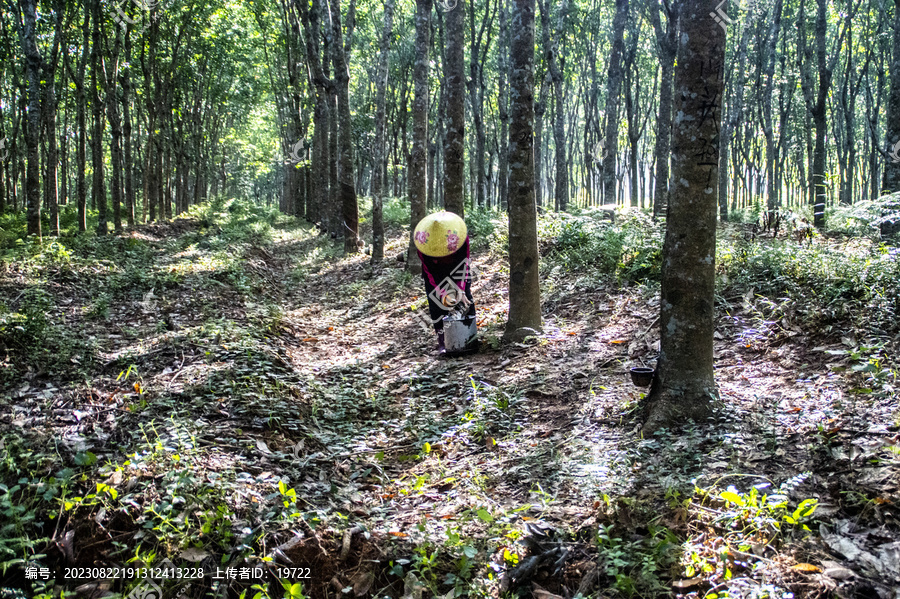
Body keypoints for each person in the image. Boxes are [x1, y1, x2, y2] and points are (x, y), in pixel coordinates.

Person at [414, 211, 477, 354]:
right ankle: (444, 342)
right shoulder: (422, 243)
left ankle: (470, 338)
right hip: (435, 272)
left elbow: (464, 263)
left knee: (465, 300)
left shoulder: (461, 237)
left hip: (457, 268)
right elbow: (429, 272)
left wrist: (460, 290)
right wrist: (442, 294)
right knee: (437, 304)